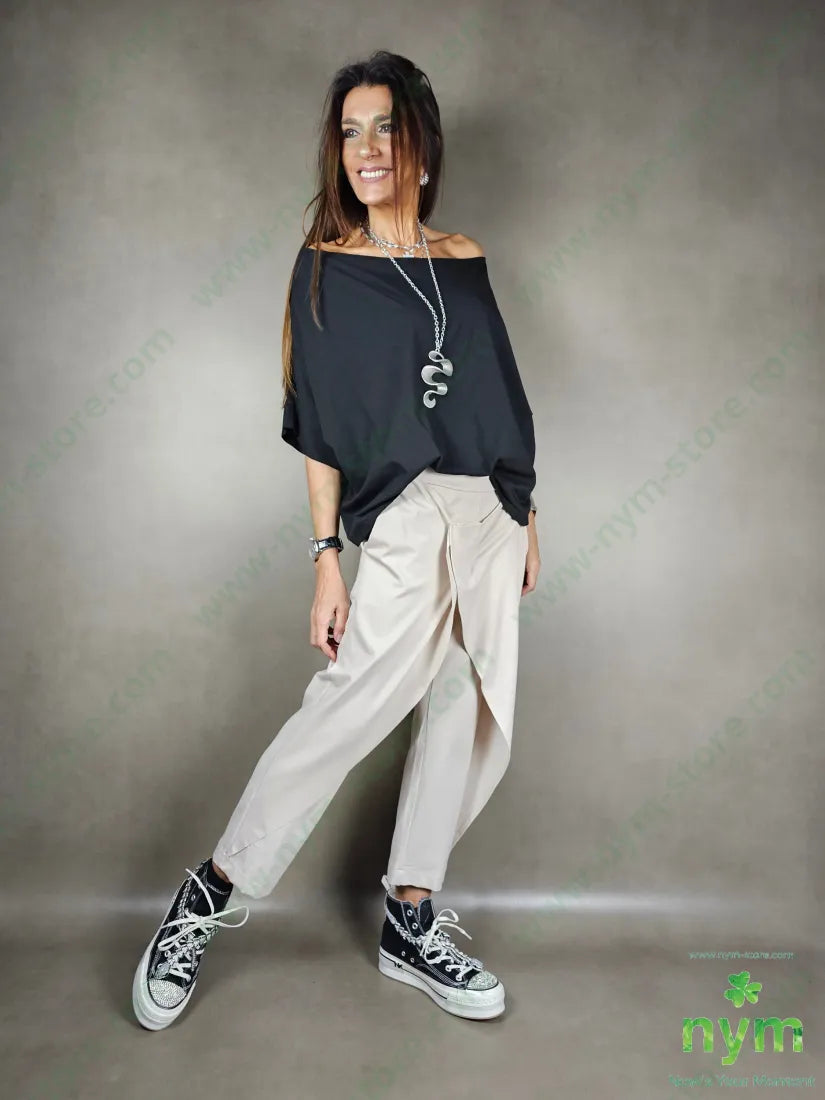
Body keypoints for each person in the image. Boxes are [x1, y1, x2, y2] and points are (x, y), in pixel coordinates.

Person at [132, 48, 540, 1031]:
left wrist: (529, 514)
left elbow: (498, 393)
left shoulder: (464, 257)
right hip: (402, 512)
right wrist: (326, 561)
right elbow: (316, 428)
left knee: (468, 706)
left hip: (489, 508)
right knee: (347, 707)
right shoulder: (325, 270)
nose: (366, 148)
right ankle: (208, 891)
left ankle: (410, 916)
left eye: (385, 127)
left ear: (421, 145)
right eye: (351, 131)